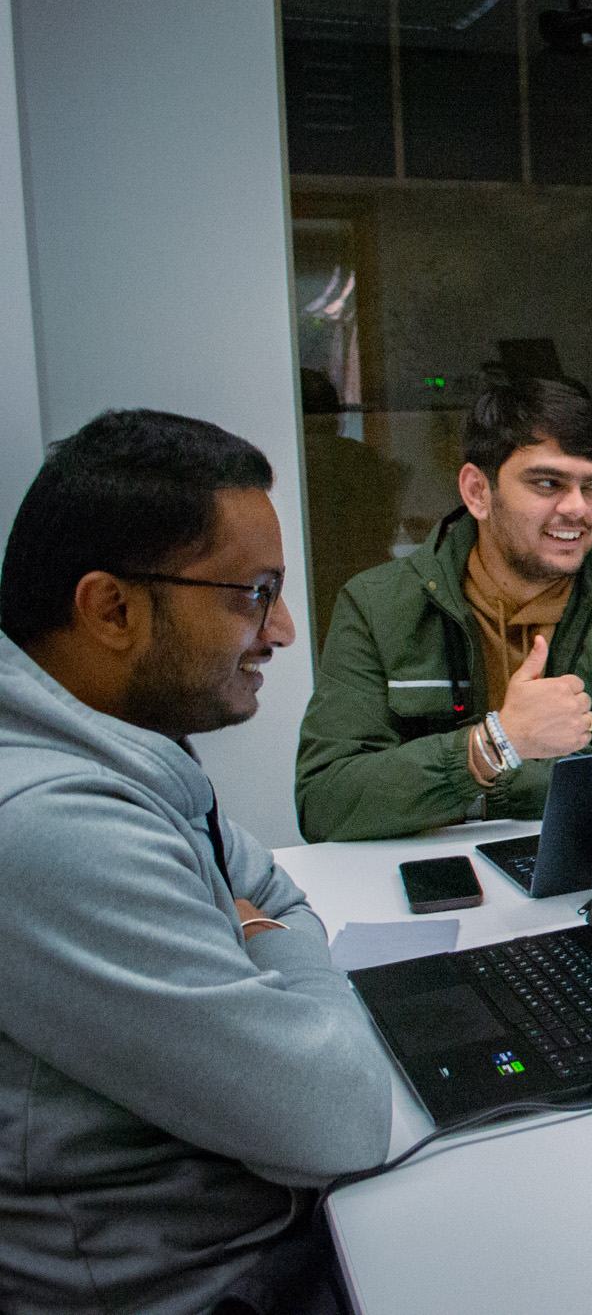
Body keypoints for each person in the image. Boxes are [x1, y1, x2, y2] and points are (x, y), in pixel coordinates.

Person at [0, 410, 390, 1313]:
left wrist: (259, 934)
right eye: (254, 592)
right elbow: (341, 1117)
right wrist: (276, 950)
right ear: (112, 608)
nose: (283, 629)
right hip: (203, 1287)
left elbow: (271, 891)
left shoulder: (116, 743)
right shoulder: (56, 827)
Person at [296, 377, 592, 841]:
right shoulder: (378, 604)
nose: (578, 508)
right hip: (434, 875)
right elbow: (325, 802)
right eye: (548, 483)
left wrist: (480, 785)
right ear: (477, 492)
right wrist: (497, 742)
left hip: (589, 856)